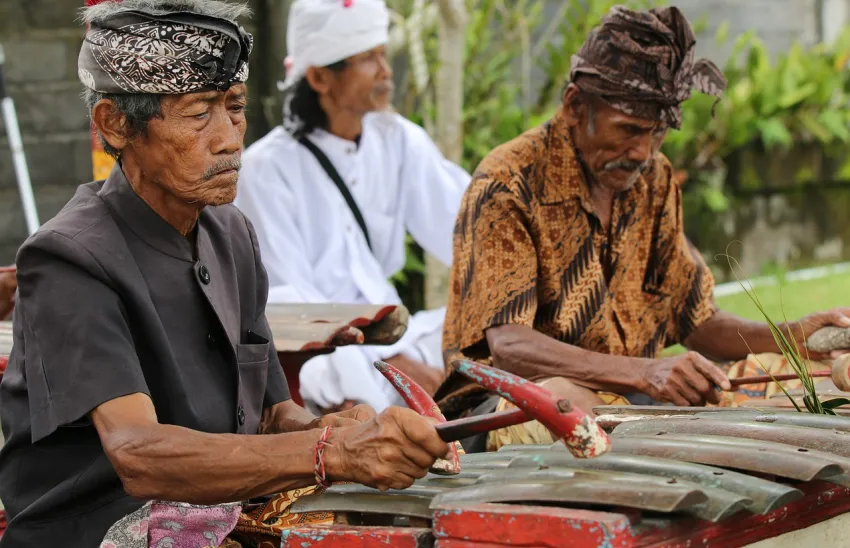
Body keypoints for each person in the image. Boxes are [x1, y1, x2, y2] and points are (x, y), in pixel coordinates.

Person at [0, 1, 449, 545]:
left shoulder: (231, 232)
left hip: (217, 512)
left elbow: (271, 414)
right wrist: (328, 452)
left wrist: (334, 428)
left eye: (234, 107)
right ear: (115, 125)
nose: (229, 137)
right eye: (198, 113)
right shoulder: (67, 257)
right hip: (100, 528)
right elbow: (137, 455)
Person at [436, 6, 850, 452]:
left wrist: (791, 337)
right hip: (504, 406)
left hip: (631, 399)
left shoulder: (653, 179)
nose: (642, 151)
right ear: (576, 106)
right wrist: (644, 372)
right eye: (630, 130)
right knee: (567, 403)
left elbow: (697, 322)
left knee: (808, 384)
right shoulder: (508, 183)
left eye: (656, 133)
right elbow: (510, 348)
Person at [235, 0, 470, 414]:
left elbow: (470, 230)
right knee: (334, 376)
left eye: (382, 53)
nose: (386, 70)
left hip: (396, 335)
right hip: (322, 358)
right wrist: (389, 363)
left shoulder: (398, 140)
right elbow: (289, 305)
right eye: (368, 59)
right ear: (322, 77)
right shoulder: (265, 170)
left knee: (481, 329)